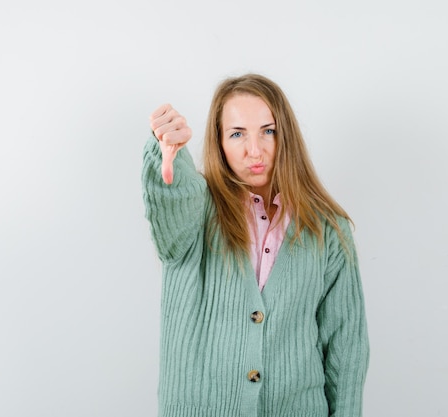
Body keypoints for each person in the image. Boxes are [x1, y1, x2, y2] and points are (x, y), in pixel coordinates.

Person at [142, 73, 369, 417]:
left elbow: (346, 347)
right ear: (218, 142)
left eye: (268, 131)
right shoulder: (197, 212)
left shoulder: (328, 229)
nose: (255, 150)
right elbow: (174, 200)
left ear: (285, 135)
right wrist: (167, 154)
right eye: (237, 134)